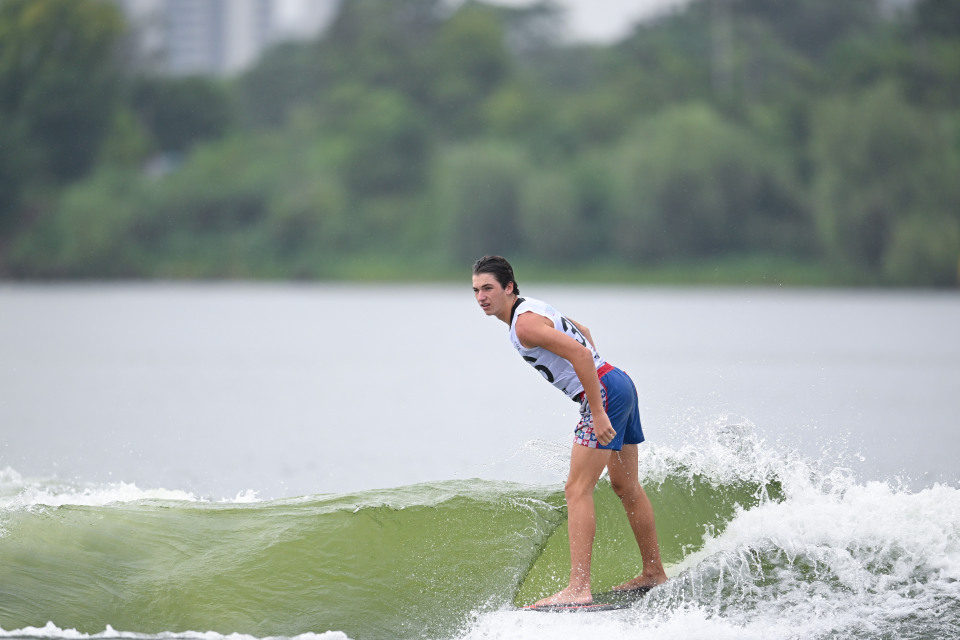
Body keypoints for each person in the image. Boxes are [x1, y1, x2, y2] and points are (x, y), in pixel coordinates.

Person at [471, 255, 667, 606]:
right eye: (476, 290)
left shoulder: (523, 326)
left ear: (509, 288)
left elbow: (578, 352)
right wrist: (602, 382)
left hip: (606, 393)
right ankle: (653, 572)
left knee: (577, 488)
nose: (481, 297)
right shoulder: (532, 309)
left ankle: (578, 589)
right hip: (618, 381)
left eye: (488, 288)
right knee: (626, 485)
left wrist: (597, 409)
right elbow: (585, 333)